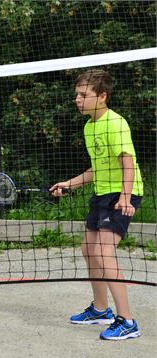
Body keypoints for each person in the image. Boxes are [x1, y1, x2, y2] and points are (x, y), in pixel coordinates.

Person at [50, 69, 143, 341]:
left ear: (102, 96)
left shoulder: (116, 123)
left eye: (83, 95)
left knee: (104, 253)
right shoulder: (90, 126)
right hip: (102, 193)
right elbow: (96, 169)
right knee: (88, 249)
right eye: (76, 95)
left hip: (122, 193)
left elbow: (128, 163)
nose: (77, 100)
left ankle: (127, 321)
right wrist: (69, 183)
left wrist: (125, 197)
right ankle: (101, 309)